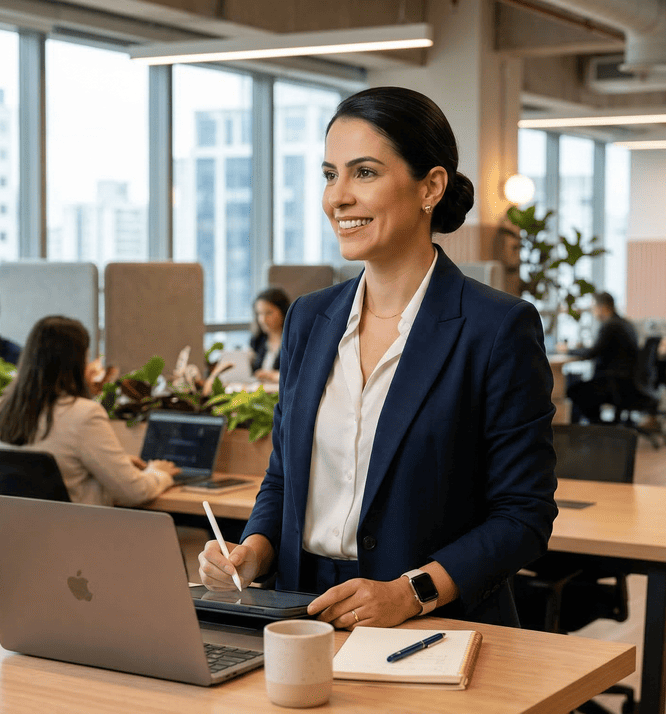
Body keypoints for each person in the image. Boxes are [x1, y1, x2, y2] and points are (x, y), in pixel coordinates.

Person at [198, 87, 558, 629]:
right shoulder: (308, 319)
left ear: (430, 187)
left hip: (433, 622)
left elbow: (523, 516)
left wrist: (410, 593)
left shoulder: (496, 327)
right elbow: (283, 478)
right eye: (329, 174)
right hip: (300, 613)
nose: (337, 197)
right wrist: (255, 549)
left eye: (363, 173)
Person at [0, 315, 181, 507]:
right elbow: (135, 492)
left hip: (18, 533)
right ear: (76, 362)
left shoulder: (0, 410)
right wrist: (158, 472)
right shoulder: (83, 414)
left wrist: (115, 464)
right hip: (78, 534)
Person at [565, 292, 641, 424]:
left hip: (613, 383)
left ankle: (597, 426)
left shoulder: (610, 326)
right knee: (582, 386)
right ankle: (599, 426)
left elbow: (592, 353)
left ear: (602, 307)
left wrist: (568, 350)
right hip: (627, 382)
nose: (593, 312)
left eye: (593, 307)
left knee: (573, 390)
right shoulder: (626, 324)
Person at [249, 287, 290, 383]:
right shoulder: (258, 341)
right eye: (259, 313)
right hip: (260, 393)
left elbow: (296, 377)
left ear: (283, 312)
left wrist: (271, 375)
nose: (263, 319)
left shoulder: (294, 342)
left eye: (269, 313)